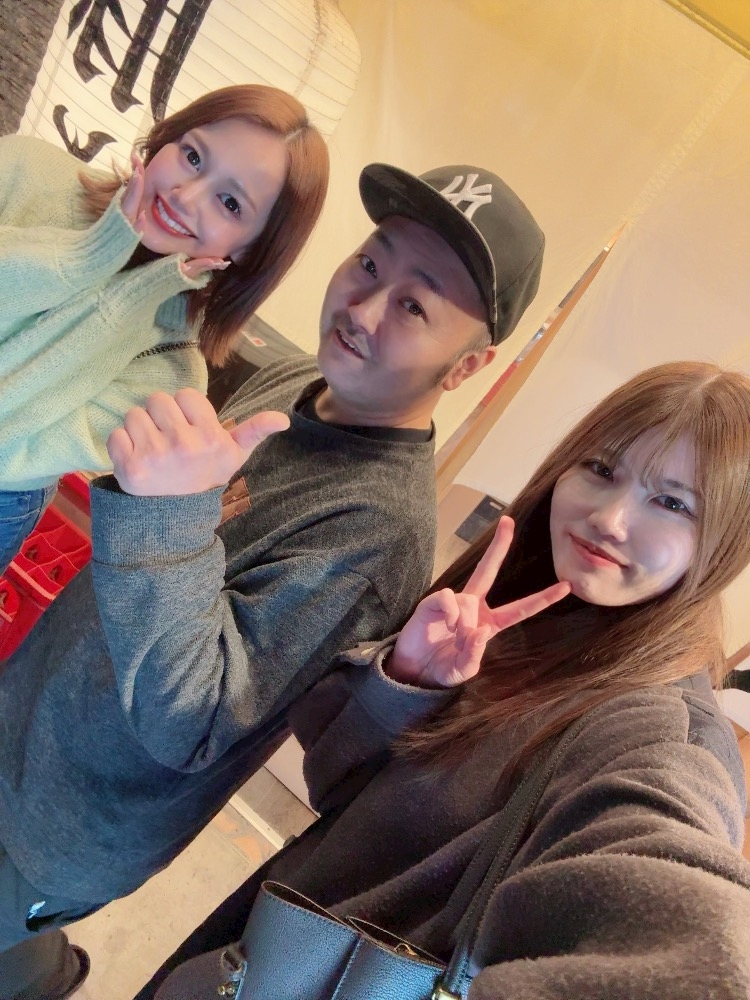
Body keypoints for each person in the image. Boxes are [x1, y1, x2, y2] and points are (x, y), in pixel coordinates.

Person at [0, 162, 546, 999]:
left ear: (468, 365)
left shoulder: (378, 533)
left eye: (414, 307)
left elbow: (194, 722)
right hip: (27, 715)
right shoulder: (302, 383)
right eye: (371, 263)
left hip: (66, 828)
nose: (362, 309)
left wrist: (164, 511)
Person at [139, 361, 750, 1000]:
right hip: (258, 952)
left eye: (672, 503)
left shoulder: (669, 742)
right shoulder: (524, 614)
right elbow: (337, 787)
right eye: (601, 468)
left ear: (726, 541)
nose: (611, 518)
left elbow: (677, 894)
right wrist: (406, 684)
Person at [0, 83, 329, 574]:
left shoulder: (168, 374)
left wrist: (128, 291)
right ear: (165, 139)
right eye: (193, 156)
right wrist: (87, 256)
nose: (185, 196)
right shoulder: (28, 170)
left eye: (230, 203)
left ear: (252, 249)